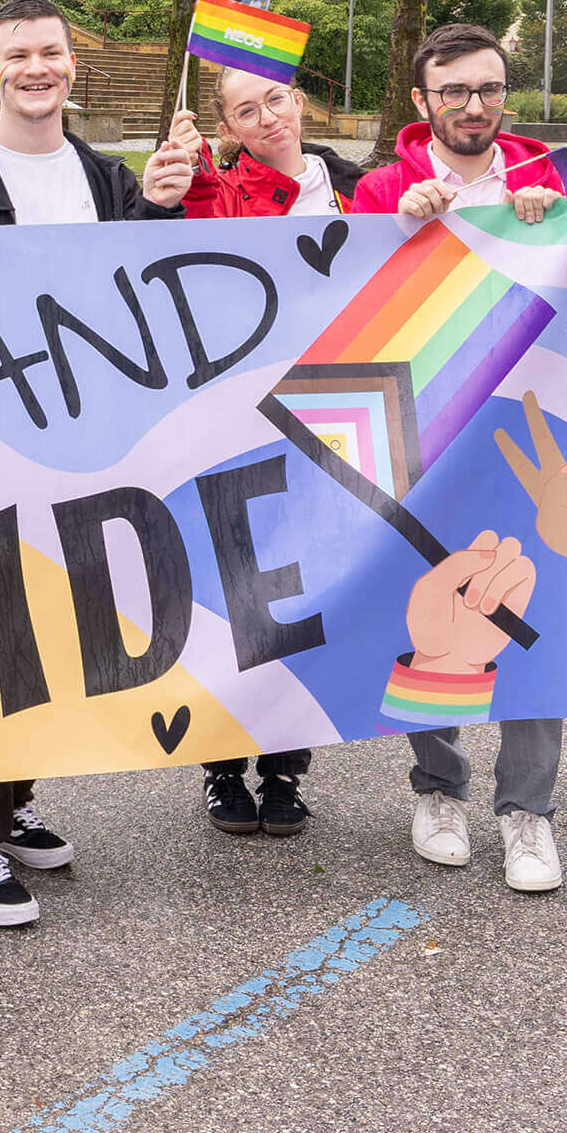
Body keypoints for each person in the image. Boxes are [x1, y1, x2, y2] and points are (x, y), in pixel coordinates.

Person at [0, 0, 199, 926]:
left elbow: (148, 305)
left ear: (72, 67)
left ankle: (10, 798)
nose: (36, 67)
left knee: (51, 633)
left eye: (51, 53)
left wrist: (160, 207)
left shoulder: (108, 180)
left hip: (80, 448)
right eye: (17, 54)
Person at [348, 23, 567, 892]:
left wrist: (554, 222)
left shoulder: (549, 179)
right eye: (454, 92)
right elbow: (339, 299)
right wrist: (391, 231)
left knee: (530, 605)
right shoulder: (380, 187)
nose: (474, 105)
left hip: (530, 429)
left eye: (489, 88)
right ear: (422, 101)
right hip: (424, 433)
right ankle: (439, 787)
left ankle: (529, 811)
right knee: (431, 605)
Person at [180, 64, 364, 837]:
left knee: (307, 595)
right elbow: (194, 234)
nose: (266, 119)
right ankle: (224, 770)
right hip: (233, 415)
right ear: (227, 127)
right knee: (232, 591)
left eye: (276, 100)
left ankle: (287, 768)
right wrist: (190, 175)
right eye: (245, 111)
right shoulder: (221, 188)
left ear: (301, 102)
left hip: (332, 417)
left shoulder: (359, 188)